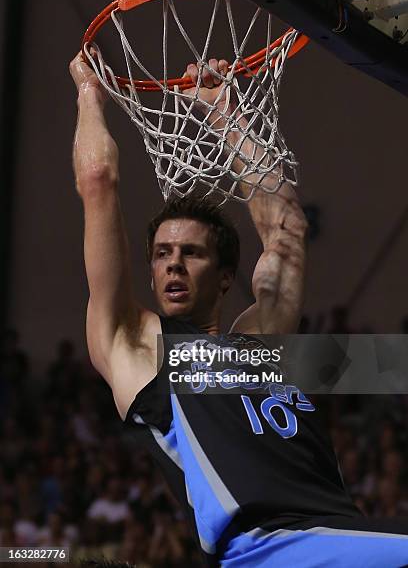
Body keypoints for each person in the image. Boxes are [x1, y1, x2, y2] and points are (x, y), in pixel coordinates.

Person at [70, 53, 408, 567]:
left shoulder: (260, 344)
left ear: (227, 276)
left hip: (337, 535)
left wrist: (225, 112)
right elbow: (97, 180)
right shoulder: (142, 351)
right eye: (162, 254)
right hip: (267, 547)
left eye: (192, 253)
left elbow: (287, 229)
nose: (174, 266)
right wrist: (90, 93)